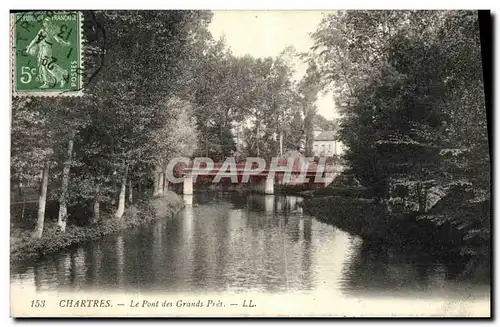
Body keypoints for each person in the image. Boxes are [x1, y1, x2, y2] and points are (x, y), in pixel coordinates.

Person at [26, 17, 70, 88]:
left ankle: (61, 78)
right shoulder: (46, 31)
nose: (45, 23)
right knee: (45, 65)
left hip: (46, 50)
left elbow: (58, 40)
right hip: (43, 50)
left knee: (46, 65)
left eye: (46, 22)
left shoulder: (47, 31)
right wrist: (29, 48)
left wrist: (66, 44)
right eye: (44, 22)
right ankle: (61, 74)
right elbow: (35, 40)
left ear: (48, 23)